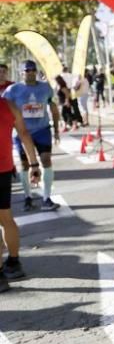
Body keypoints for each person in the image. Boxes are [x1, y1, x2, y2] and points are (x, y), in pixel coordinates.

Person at [3, 61, 60, 211]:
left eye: (33, 70)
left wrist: (57, 130)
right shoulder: (12, 90)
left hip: (42, 129)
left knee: (46, 160)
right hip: (21, 132)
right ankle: (28, 197)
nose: (31, 72)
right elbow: (6, 111)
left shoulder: (45, 87)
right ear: (21, 73)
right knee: (24, 165)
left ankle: (47, 198)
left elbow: (52, 107)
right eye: (27, 70)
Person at [0, 96, 42, 293]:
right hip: (4, 170)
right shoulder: (8, 105)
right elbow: (24, 133)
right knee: (6, 218)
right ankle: (14, 263)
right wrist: (33, 164)